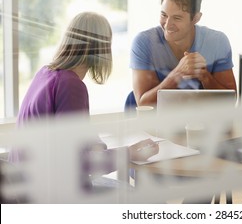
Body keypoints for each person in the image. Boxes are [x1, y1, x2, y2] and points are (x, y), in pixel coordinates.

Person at [9, 12, 158, 168]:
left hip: (25, 181)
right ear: (101, 47)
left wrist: (94, 143)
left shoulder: (45, 73)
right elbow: (78, 161)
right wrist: (129, 153)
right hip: (50, 189)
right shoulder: (70, 85)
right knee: (128, 190)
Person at [130, 0, 237, 106]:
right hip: (159, 123)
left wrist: (205, 76)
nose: (168, 25)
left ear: (196, 18)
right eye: (164, 15)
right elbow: (143, 103)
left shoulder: (217, 42)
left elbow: (230, 100)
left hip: (200, 122)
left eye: (177, 18)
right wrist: (177, 74)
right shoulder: (144, 43)